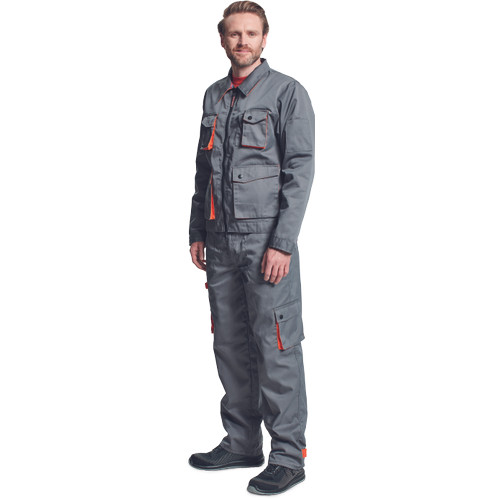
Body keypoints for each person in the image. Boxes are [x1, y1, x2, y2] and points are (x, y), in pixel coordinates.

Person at [188, 1, 314, 495]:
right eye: (234, 33)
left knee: (276, 345)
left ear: (265, 39)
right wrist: (197, 231)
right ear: (222, 39)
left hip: (266, 243)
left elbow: (299, 172)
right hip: (219, 242)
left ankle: (288, 456)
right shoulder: (213, 95)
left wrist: (282, 243)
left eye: (251, 33)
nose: (242, 41)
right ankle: (242, 442)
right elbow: (203, 171)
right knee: (230, 344)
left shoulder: (287, 92)